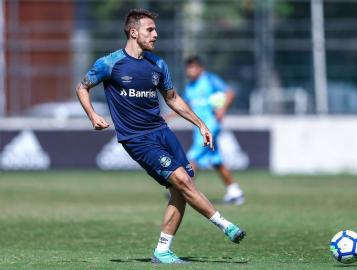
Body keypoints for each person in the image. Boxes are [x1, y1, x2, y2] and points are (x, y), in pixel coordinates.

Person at [75, 9, 245, 264]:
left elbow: (173, 99)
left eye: (155, 30)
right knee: (182, 182)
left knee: (181, 186)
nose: (156, 34)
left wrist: (200, 124)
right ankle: (226, 225)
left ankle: (163, 250)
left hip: (162, 132)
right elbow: (83, 87)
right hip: (137, 138)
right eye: (150, 30)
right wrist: (92, 115)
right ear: (134, 32)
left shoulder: (158, 64)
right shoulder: (110, 63)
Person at [165, 56, 245, 205]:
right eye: (188, 68)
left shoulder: (210, 79)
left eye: (193, 67)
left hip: (210, 126)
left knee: (192, 157)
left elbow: (229, 93)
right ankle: (235, 192)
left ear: (200, 68)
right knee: (216, 162)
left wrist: (222, 108)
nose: (189, 70)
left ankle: (180, 188)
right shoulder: (190, 86)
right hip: (199, 128)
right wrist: (168, 117)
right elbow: (184, 106)